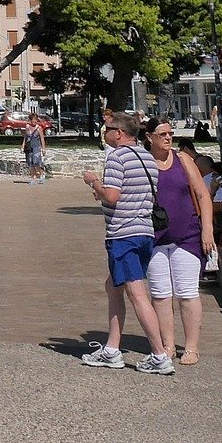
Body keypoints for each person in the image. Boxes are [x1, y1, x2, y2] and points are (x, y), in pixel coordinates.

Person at [80, 111, 175, 375]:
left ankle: (159, 355)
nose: (105, 132)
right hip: (144, 232)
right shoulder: (147, 157)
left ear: (119, 133)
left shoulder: (116, 158)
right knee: (113, 286)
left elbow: (111, 196)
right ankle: (112, 348)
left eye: (107, 128)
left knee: (136, 293)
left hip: (123, 234)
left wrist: (94, 183)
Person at [143, 116, 214, 365]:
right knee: (160, 294)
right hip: (155, 236)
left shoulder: (183, 160)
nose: (167, 137)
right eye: (162, 134)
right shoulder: (143, 162)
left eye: (169, 133)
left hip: (188, 235)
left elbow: (203, 196)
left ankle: (192, 347)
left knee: (187, 292)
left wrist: (207, 230)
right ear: (149, 137)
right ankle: (168, 345)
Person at [21, 117, 48, 184]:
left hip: (36, 147)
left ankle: (42, 173)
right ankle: (34, 178)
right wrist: (22, 146)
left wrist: (43, 148)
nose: (35, 121)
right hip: (29, 147)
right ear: (30, 120)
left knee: (36, 162)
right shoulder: (27, 127)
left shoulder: (39, 128)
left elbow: (42, 139)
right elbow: (25, 138)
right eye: (33, 120)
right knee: (30, 163)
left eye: (36, 120)